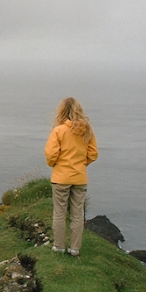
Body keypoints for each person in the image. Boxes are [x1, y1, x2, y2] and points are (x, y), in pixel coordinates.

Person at [45, 97, 98, 256]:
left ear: (62, 111)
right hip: (80, 178)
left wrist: (56, 164)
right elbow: (93, 154)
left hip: (61, 177)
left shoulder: (59, 131)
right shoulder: (87, 130)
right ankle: (74, 249)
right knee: (77, 214)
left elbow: (50, 155)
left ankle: (59, 246)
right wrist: (82, 164)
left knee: (60, 213)